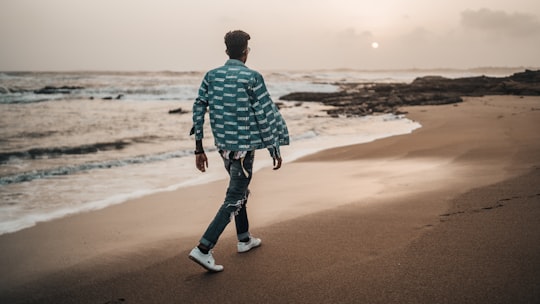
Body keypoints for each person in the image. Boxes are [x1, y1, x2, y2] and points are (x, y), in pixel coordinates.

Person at [188, 30, 290, 272]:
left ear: (226, 51)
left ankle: (244, 239)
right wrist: (274, 145)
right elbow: (266, 113)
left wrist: (198, 148)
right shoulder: (251, 77)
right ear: (246, 52)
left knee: (239, 190)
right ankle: (203, 248)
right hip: (243, 150)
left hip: (223, 148)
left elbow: (198, 107)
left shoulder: (211, 76)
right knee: (234, 197)